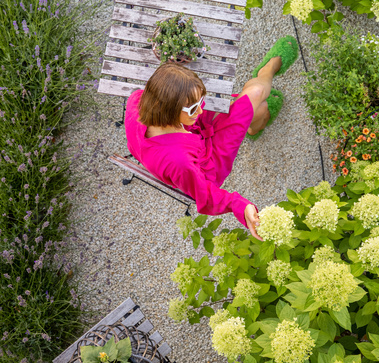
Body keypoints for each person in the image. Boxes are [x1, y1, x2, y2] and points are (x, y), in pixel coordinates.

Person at [124, 36, 299, 239]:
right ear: (169, 111)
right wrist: (241, 206)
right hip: (208, 163)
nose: (200, 110)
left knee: (248, 106)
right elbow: (205, 195)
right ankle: (265, 76)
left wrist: (190, 111)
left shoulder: (138, 101)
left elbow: (187, 111)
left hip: (191, 133)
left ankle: (256, 116)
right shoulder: (180, 163)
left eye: (201, 101)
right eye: (192, 108)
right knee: (257, 94)